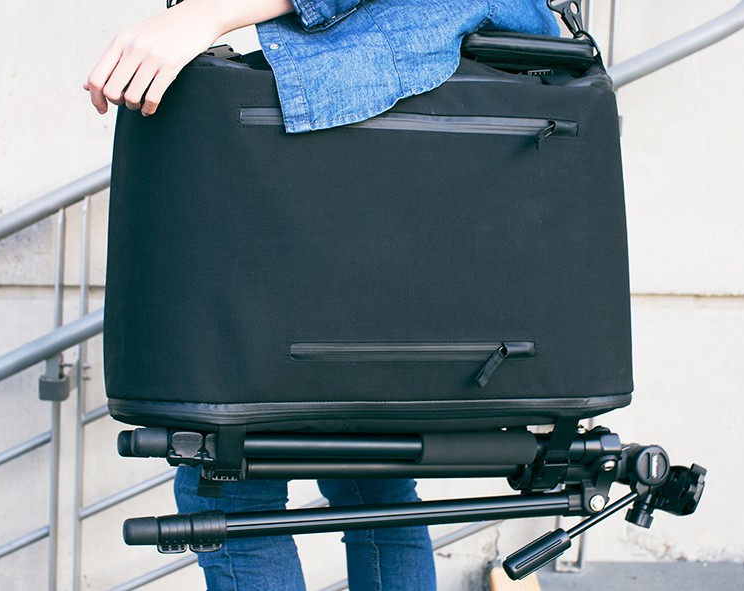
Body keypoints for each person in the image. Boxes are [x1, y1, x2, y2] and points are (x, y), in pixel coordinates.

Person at [86, 2, 560, 589]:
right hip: (401, 280)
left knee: (230, 489)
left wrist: (203, 16)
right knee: (378, 488)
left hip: (315, 231)